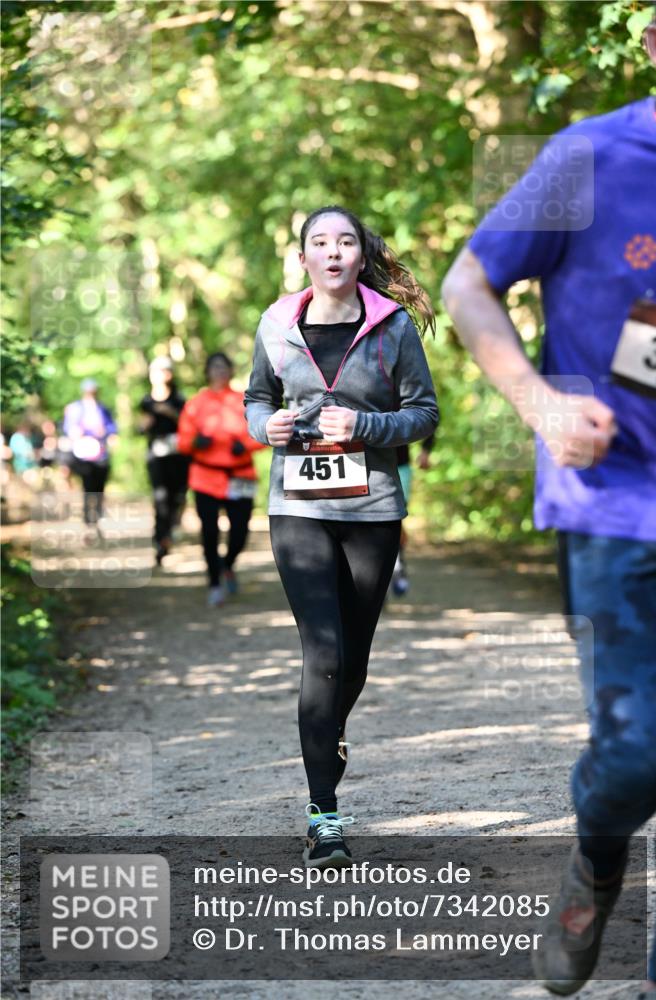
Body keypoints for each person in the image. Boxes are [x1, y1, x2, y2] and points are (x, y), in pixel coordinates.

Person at [442, 6, 656, 995]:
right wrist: (539, 404)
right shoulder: (583, 157)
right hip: (617, 505)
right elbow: (465, 286)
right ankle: (594, 848)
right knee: (633, 755)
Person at [245, 205, 439, 869]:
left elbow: (422, 413)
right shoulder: (275, 324)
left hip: (372, 509)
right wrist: (262, 426)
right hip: (297, 507)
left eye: (345, 241)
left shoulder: (391, 330)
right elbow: (255, 398)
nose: (332, 252)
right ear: (303, 257)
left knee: (352, 658)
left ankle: (329, 732)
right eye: (319, 243)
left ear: (361, 255)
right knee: (322, 651)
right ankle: (324, 816)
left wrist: (363, 428)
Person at [177, 352, 264, 607]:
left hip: (241, 475)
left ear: (230, 370)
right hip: (205, 477)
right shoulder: (195, 403)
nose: (219, 371)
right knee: (209, 532)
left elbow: (261, 434)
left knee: (240, 532)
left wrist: (246, 445)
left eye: (223, 366)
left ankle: (227, 565)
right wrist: (195, 442)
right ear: (207, 371)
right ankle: (214, 583)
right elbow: (182, 441)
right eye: (214, 367)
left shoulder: (244, 401)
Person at [140, 357, 190, 566]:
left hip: (178, 454)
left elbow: (188, 424)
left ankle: (171, 528)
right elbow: (140, 427)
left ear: (169, 374)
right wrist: (145, 424)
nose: (158, 375)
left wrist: (170, 413)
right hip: (155, 453)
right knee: (160, 496)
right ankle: (161, 540)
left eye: (162, 371)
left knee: (176, 496)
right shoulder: (146, 401)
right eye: (154, 371)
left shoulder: (179, 399)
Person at [63, 379, 117, 535]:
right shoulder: (75, 409)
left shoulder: (103, 409)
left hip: (101, 455)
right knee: (88, 489)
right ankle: (88, 523)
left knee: (99, 490)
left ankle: (97, 520)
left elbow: (112, 429)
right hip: (84, 456)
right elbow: (69, 429)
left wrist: (109, 435)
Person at [391, 433, 435, 597]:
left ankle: (397, 565)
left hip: (400, 464)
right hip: (357, 461)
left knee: (396, 516)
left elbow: (430, 411)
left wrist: (426, 449)